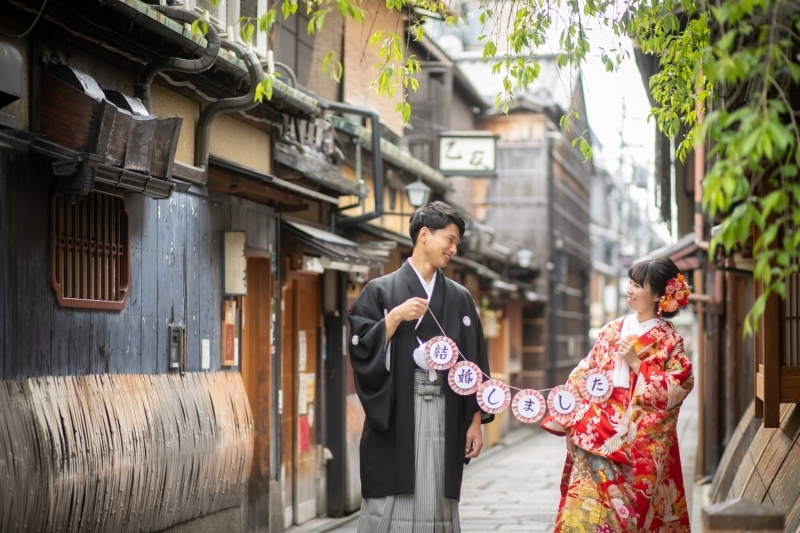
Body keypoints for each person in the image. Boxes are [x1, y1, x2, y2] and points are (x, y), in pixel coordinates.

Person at [347, 201, 493, 533]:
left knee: (436, 494)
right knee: (390, 493)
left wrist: (475, 422)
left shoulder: (459, 297)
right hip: (397, 410)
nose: (454, 248)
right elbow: (359, 346)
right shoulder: (380, 290)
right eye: (450, 239)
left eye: (457, 242)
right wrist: (395, 316)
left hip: (447, 410)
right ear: (424, 235)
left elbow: (474, 362)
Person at [541, 256, 694, 532]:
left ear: (659, 294)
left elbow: (679, 386)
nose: (630, 290)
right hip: (594, 434)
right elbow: (583, 374)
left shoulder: (669, 340)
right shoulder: (612, 330)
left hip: (635, 442)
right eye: (630, 283)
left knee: (628, 519)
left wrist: (638, 364)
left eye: (638, 285)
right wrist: (568, 421)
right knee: (583, 514)